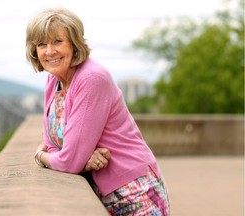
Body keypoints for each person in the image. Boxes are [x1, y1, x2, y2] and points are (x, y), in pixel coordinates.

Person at [26, 7, 170, 216]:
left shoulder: (91, 78)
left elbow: (65, 160)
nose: (49, 51)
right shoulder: (53, 81)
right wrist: (79, 159)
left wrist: (40, 157)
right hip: (100, 194)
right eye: (41, 44)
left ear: (75, 44)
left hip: (134, 192)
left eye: (57, 41)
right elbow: (53, 145)